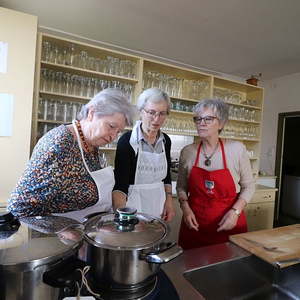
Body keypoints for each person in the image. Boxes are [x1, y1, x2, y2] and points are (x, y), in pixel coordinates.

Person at [8, 88, 135, 222]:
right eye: (111, 126)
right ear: (92, 113)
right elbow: (19, 207)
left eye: (119, 132)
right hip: (56, 239)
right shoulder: (60, 144)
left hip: (86, 232)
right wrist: (61, 230)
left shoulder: (91, 143)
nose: (113, 137)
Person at [177, 99, 255, 249]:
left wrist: (235, 212)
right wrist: (185, 209)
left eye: (208, 119)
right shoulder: (187, 152)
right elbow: (181, 187)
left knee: (228, 268)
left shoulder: (237, 149)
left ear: (221, 123)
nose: (201, 122)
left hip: (229, 221)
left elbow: (249, 186)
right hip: (194, 223)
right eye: (198, 118)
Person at [112, 88, 175, 221]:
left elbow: (167, 176)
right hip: (133, 208)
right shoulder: (127, 141)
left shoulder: (166, 141)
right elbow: (120, 184)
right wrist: (122, 217)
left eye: (162, 113)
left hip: (159, 206)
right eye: (151, 112)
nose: (156, 119)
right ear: (141, 111)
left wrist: (169, 202)